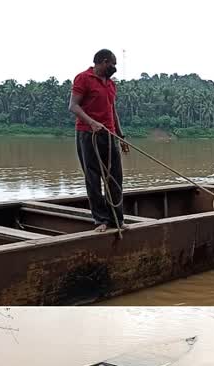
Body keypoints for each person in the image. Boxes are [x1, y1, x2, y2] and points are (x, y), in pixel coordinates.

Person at [69, 49, 130, 233]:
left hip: (110, 136)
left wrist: (121, 135)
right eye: (113, 64)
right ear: (103, 62)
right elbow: (73, 106)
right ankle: (100, 220)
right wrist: (92, 122)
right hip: (89, 135)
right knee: (93, 178)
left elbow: (112, 111)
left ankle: (117, 219)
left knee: (115, 178)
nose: (115, 68)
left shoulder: (111, 84)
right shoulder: (83, 78)